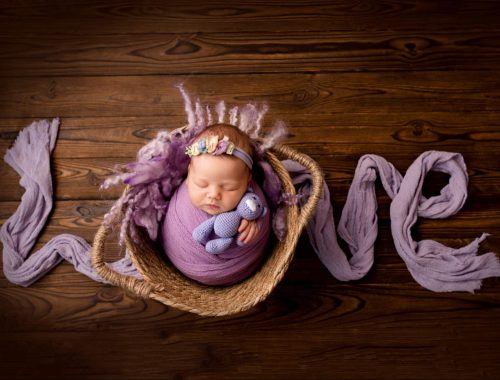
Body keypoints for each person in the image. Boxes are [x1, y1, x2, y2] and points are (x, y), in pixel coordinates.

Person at [184, 123, 263, 245]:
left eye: (229, 188)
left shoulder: (252, 201)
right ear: (189, 174)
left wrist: (255, 221)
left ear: (248, 182)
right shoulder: (178, 200)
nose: (214, 195)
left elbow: (259, 210)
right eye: (202, 184)